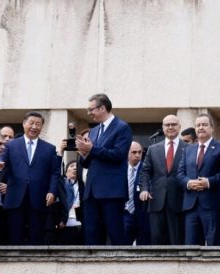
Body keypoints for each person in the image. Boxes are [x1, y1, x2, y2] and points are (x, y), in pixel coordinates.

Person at [71, 93, 132, 245]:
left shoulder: (122, 127)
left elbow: (119, 154)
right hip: (91, 192)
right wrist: (84, 153)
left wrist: (92, 149)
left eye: (91, 109)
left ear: (103, 108)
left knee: (116, 234)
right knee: (91, 236)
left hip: (111, 191)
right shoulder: (94, 130)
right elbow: (87, 162)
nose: (89, 113)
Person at [0, 111, 60, 245]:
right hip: (16, 197)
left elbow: (55, 172)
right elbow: (2, 164)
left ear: (42, 127)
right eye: (31, 123)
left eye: (38, 124)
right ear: (24, 124)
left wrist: (52, 191)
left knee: (36, 237)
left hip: (39, 198)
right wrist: (0, 166)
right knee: (15, 236)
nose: (34, 127)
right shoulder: (11, 145)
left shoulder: (49, 149)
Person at [177, 114, 220, 246]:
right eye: (198, 125)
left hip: (211, 205)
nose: (201, 128)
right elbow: (180, 174)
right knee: (191, 247)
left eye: (204, 125)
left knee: (212, 246)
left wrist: (208, 182)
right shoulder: (188, 150)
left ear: (212, 128)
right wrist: (188, 183)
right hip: (191, 207)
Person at [139, 115, 186, 245]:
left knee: (177, 242)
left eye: (173, 124)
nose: (170, 127)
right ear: (162, 128)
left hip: (179, 202)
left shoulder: (188, 148)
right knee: (157, 241)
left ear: (179, 127)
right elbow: (145, 171)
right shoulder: (153, 149)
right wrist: (144, 189)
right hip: (156, 201)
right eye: (167, 125)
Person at [125, 142, 151, 245]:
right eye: (134, 152)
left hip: (143, 213)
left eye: (140, 152)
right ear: (126, 153)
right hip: (125, 213)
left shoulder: (146, 169)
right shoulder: (120, 169)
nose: (137, 155)